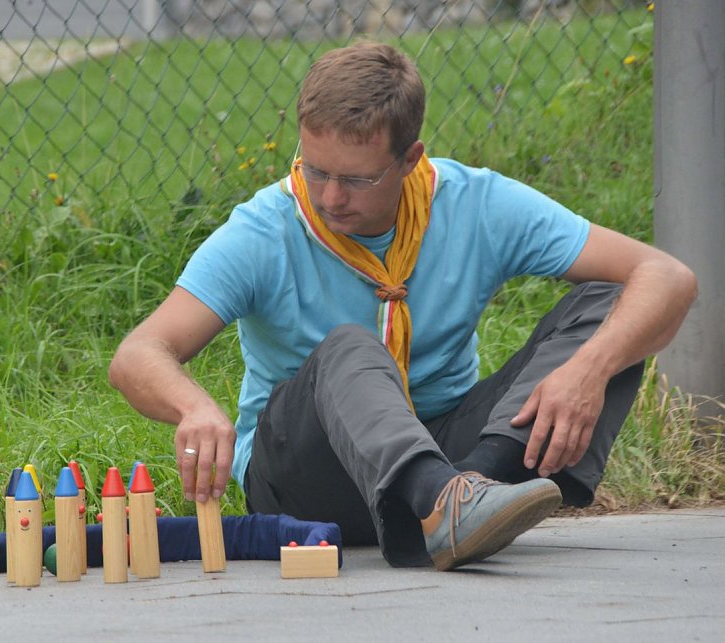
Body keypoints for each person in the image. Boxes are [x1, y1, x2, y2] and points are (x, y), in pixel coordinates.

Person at [108, 43, 697, 570]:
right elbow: (139, 353)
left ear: (411, 159)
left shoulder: (474, 202)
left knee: (615, 303)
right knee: (349, 345)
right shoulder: (263, 231)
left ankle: (464, 501)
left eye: (357, 180)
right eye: (315, 171)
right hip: (309, 477)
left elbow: (666, 277)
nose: (330, 198)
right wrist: (194, 407)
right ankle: (449, 504)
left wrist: (588, 371)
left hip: (450, 444)